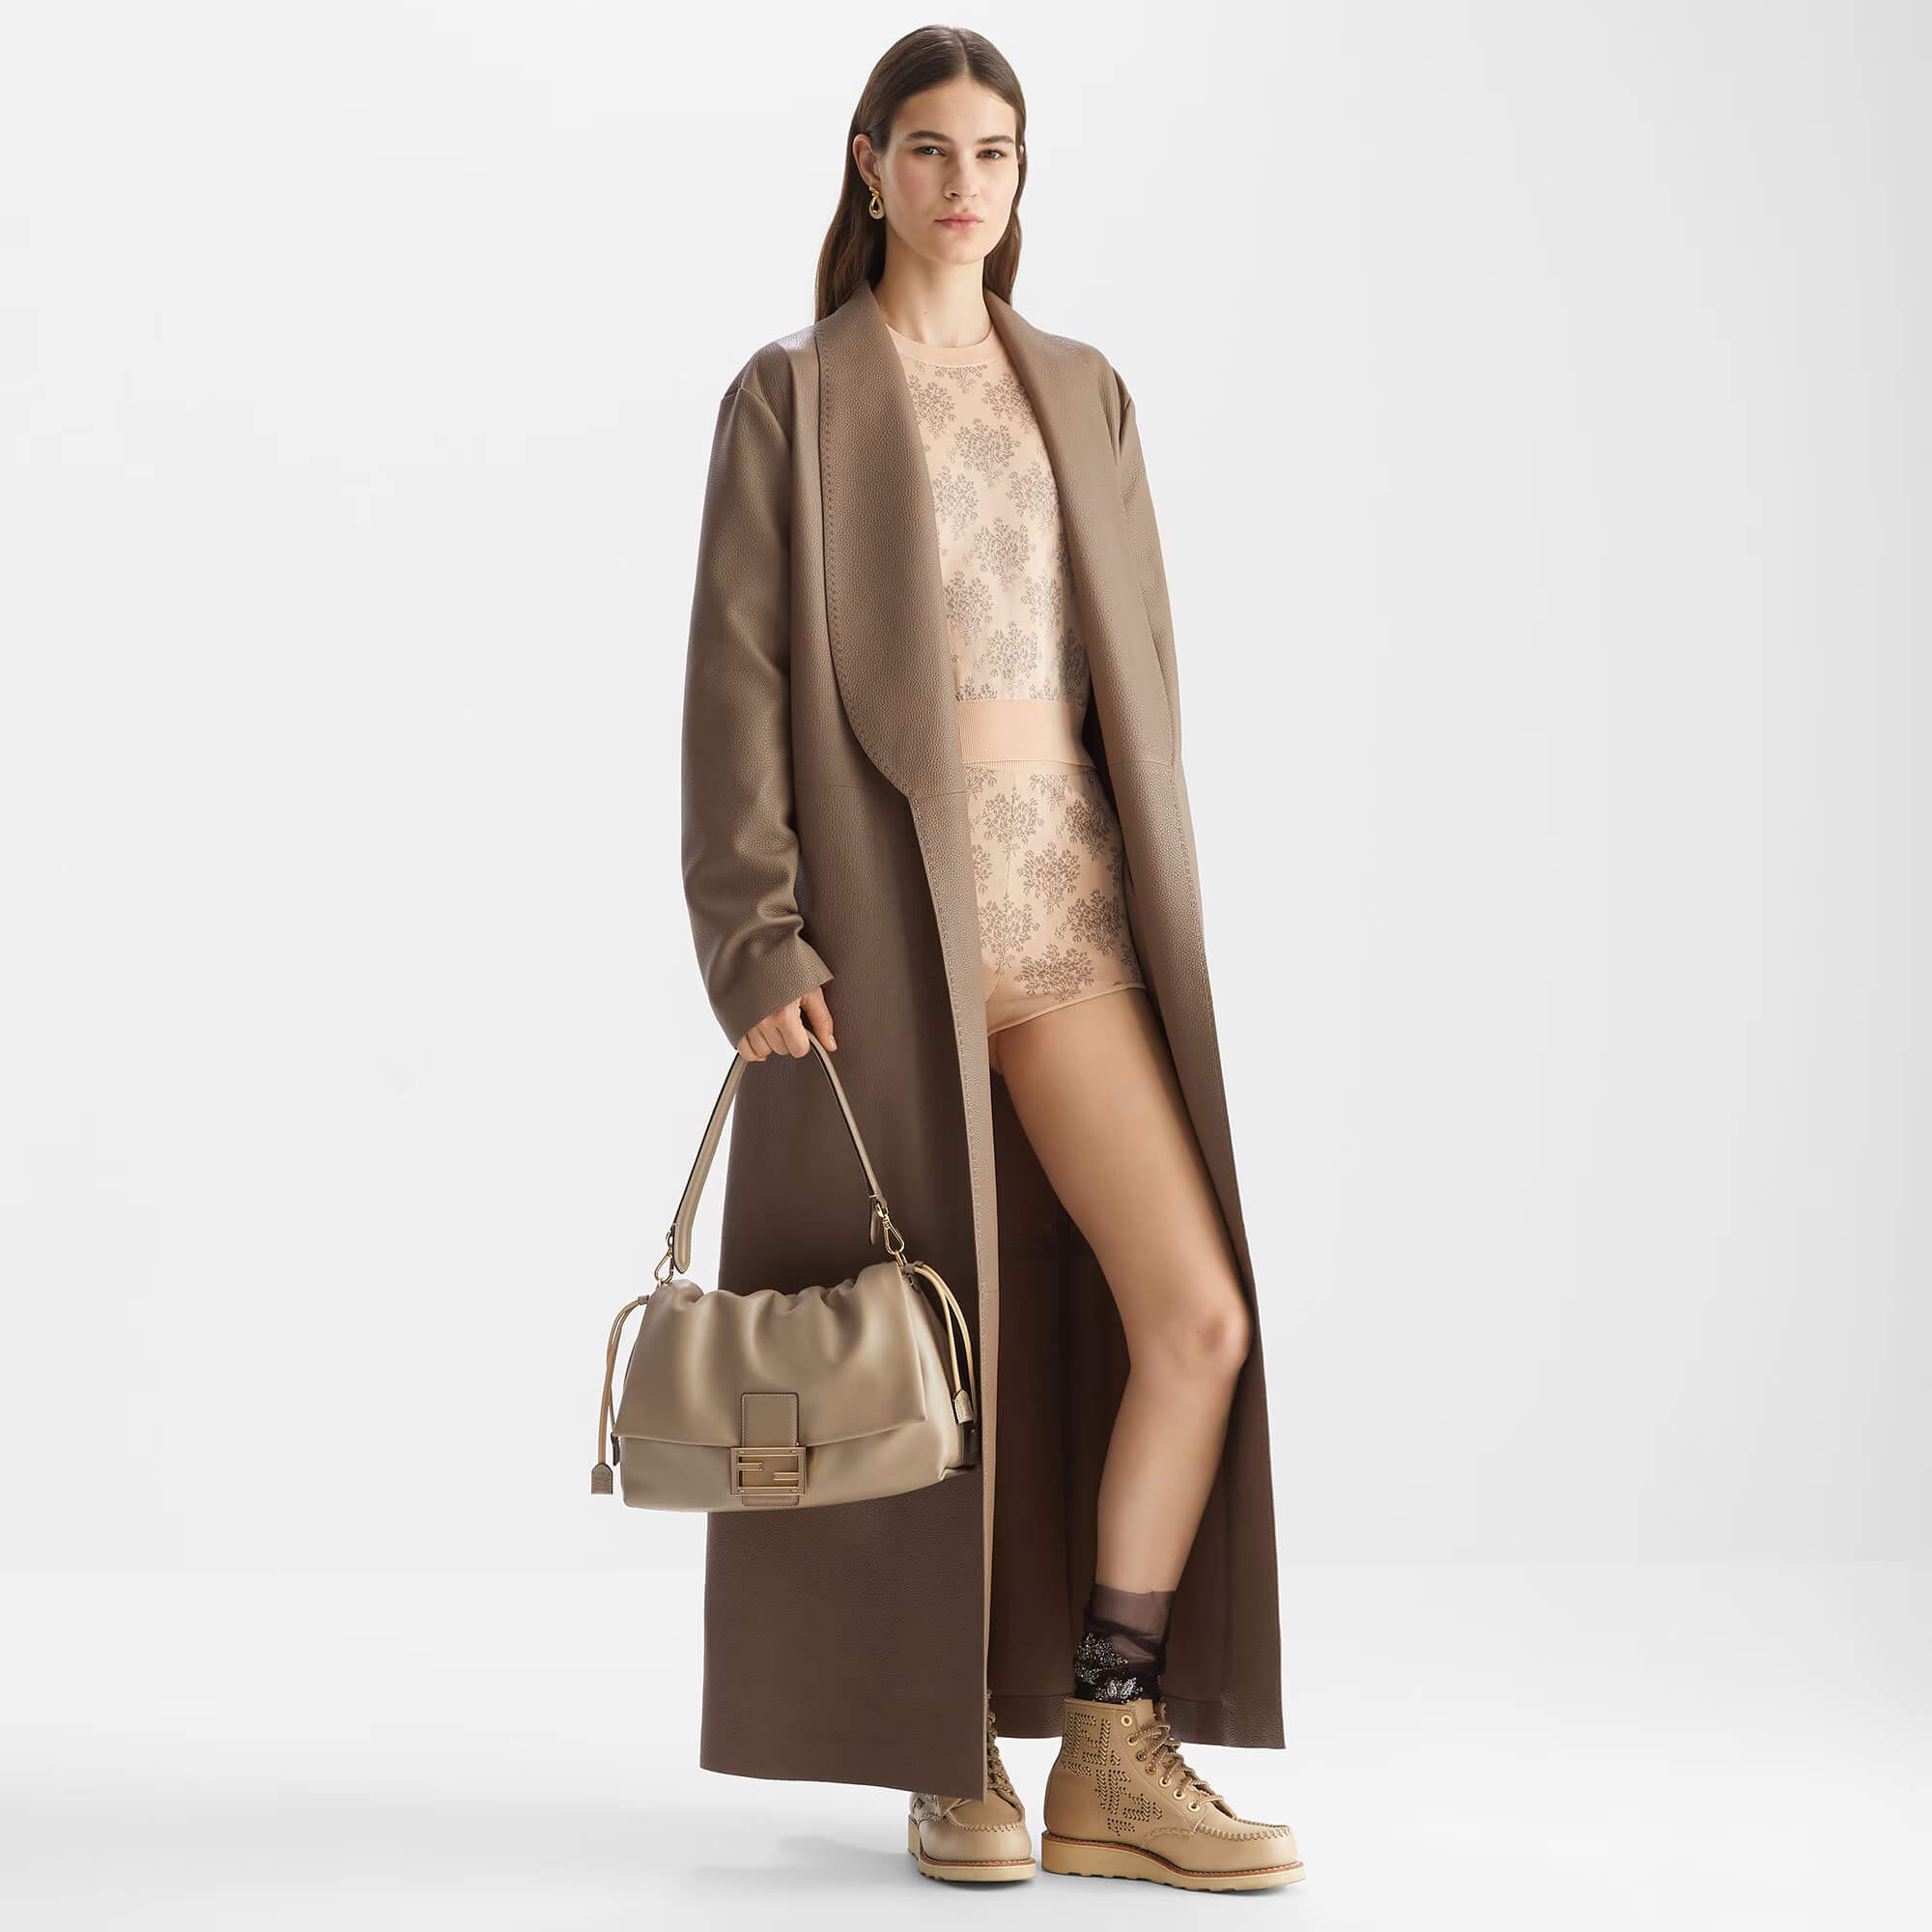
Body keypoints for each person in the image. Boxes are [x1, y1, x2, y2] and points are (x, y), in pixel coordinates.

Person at [679, 24, 1302, 1893]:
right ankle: (942, 1747)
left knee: (1193, 1318)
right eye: (934, 148)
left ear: (1024, 179)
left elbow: (1143, 681)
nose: (967, 183)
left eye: (998, 153)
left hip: (1075, 920)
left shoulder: (1083, 390)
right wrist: (753, 932)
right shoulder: (793, 397)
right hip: (889, 937)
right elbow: (736, 687)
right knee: (926, 1359)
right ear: (869, 165)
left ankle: (1112, 1740)